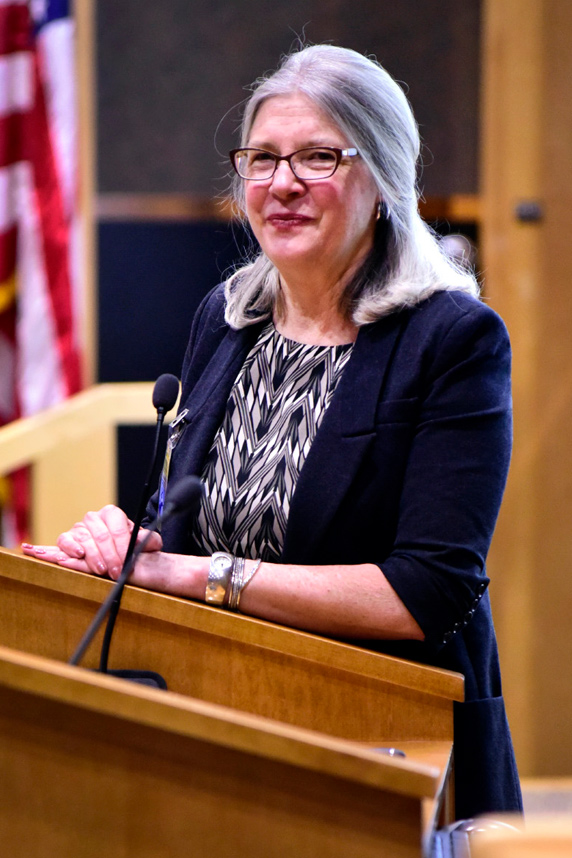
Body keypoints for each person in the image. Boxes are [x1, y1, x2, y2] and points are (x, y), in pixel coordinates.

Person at [22, 44, 522, 819]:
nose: (282, 183)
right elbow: (179, 525)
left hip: (391, 744)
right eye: (262, 158)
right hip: (219, 730)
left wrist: (197, 577)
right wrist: (128, 554)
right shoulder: (228, 317)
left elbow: (429, 592)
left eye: (319, 157)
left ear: (383, 178)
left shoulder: (452, 340)